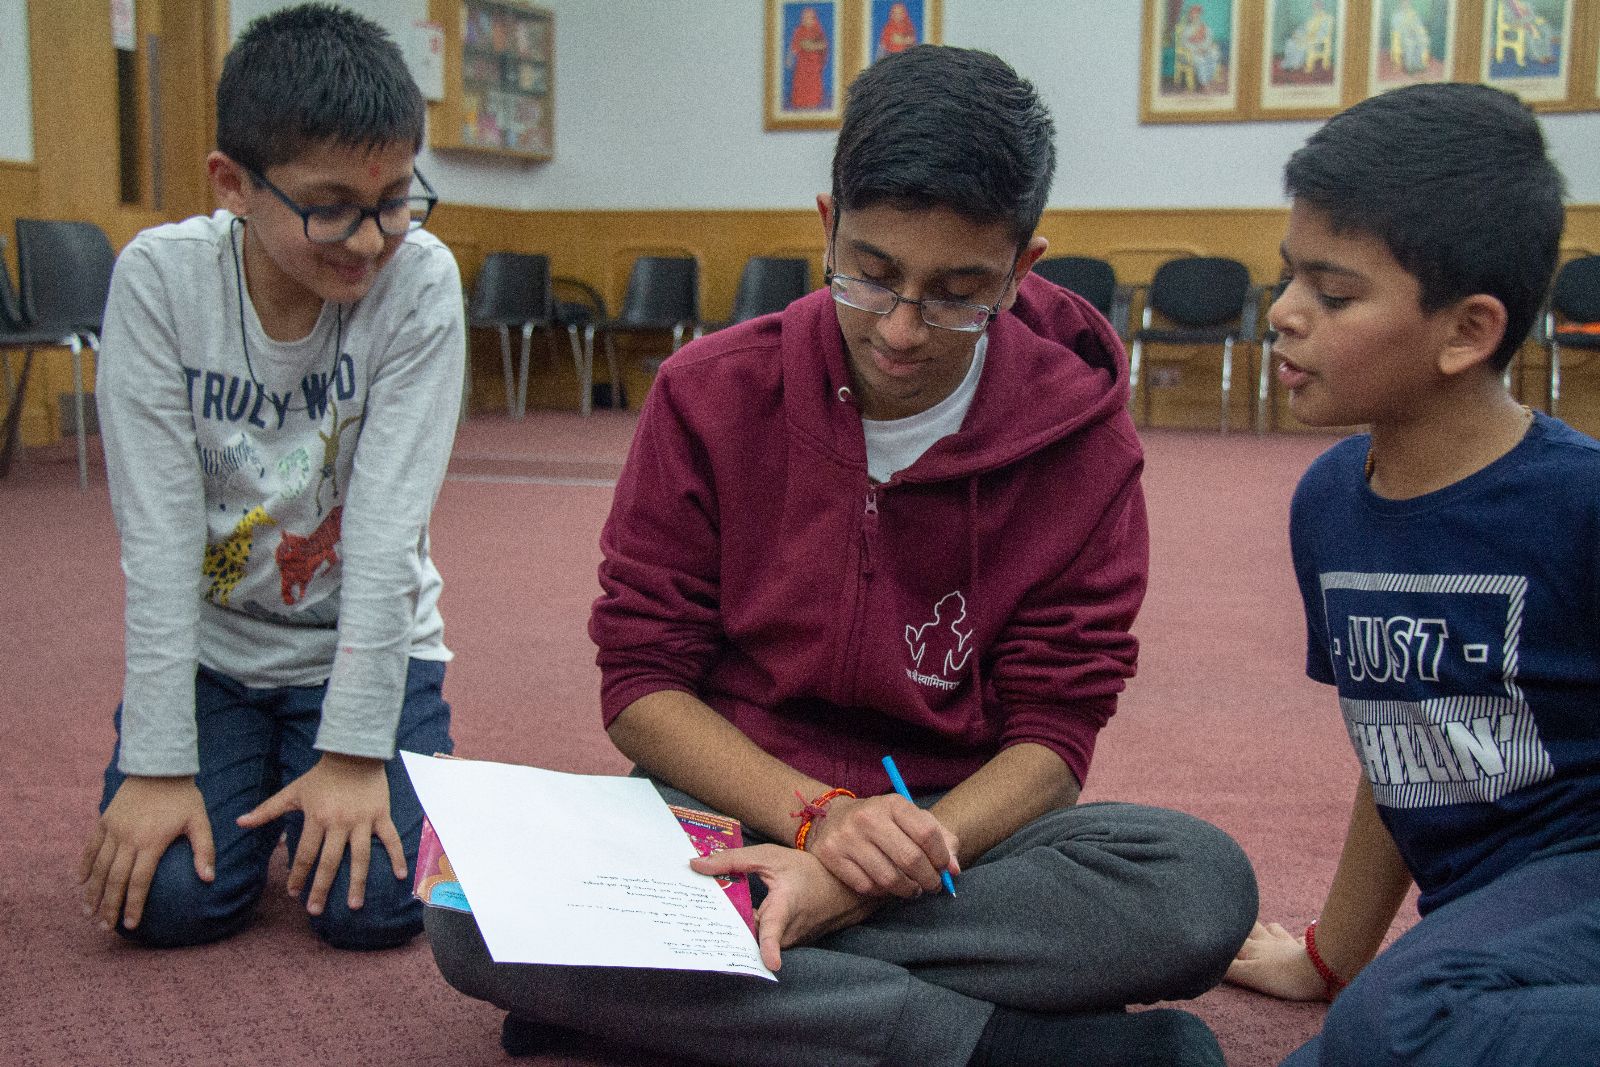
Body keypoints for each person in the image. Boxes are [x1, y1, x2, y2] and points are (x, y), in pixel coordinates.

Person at [428, 45, 1255, 1067]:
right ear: (827, 225)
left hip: (950, 840)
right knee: (463, 908)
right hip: (724, 806)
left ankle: (673, 987)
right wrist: (815, 820)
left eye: (959, 292)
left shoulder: (1081, 442)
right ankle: (999, 1047)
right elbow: (642, 683)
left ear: (1023, 266)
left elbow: (1054, 734)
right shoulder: (707, 393)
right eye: (872, 275)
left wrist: (853, 872)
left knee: (1195, 887)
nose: (904, 329)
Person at [1226, 83, 1600, 1065]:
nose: (1284, 315)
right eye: (1287, 278)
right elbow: (1403, 745)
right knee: (1349, 1043)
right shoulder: (1329, 503)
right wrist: (1332, 954)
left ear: (1466, 330)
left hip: (1581, 879)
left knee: (1395, 1026)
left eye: (1333, 294)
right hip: (1483, 920)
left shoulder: (1578, 504)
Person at [79, 3, 463, 951]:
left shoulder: (420, 282)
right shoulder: (160, 283)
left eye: (395, 199)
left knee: (375, 906)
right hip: (220, 650)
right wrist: (160, 764)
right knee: (168, 902)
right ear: (232, 184)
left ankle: (328, 772)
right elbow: (161, 540)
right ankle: (247, 772)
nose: (370, 240)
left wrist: (353, 751)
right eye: (330, 206)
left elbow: (384, 536)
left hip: (366, 643)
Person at [786, 6, 831, 111]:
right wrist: (790, 58)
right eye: (804, 17)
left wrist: (811, 45)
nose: (805, 20)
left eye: (809, 17)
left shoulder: (818, 30)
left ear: (814, 18)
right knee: (801, 85)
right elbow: (796, 47)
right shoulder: (799, 31)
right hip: (802, 66)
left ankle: (813, 102)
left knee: (814, 88)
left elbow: (824, 45)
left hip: (814, 66)